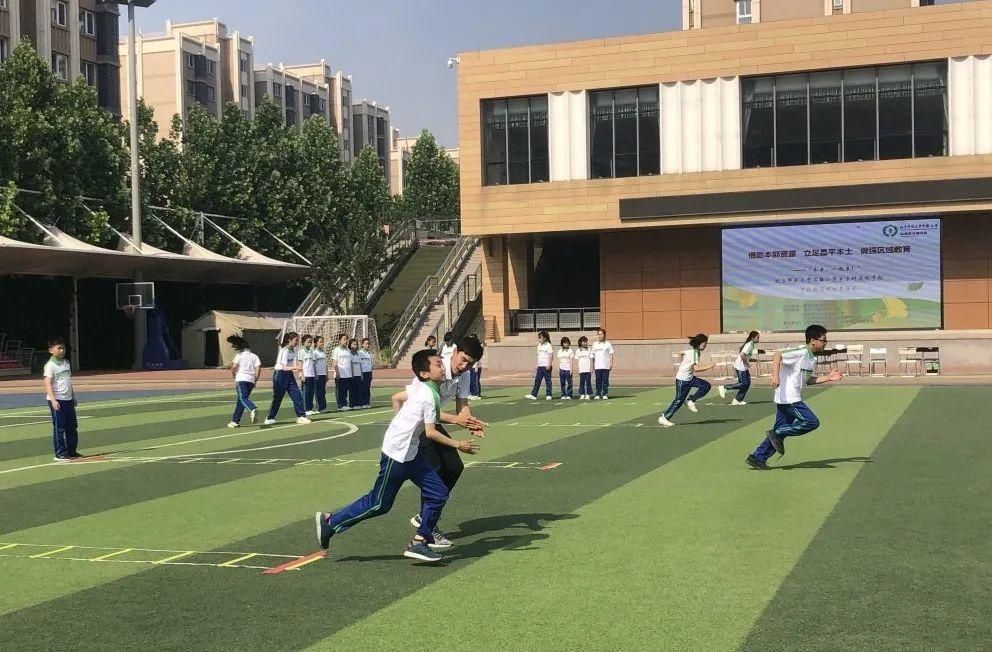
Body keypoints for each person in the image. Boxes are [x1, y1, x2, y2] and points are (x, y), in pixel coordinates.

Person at [315, 350, 480, 562]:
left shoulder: (428, 389)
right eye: (438, 364)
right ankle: (331, 522)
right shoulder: (428, 393)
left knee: (438, 492)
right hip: (397, 453)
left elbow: (424, 410)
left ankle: (420, 541)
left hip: (411, 452)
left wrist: (462, 421)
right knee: (379, 504)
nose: (442, 367)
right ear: (424, 373)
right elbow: (431, 432)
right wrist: (458, 444)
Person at [402, 335, 487, 547]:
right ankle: (427, 529)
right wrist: (459, 421)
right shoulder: (434, 368)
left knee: (455, 466)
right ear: (455, 351)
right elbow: (425, 409)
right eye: (464, 359)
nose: (465, 365)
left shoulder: (464, 375)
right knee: (436, 472)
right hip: (414, 426)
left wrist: (470, 422)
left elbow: (462, 406)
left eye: (471, 363)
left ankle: (425, 516)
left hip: (431, 424)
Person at [746, 325, 844, 470]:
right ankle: (776, 434)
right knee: (811, 422)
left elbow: (807, 380)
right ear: (813, 341)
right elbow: (778, 354)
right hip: (790, 398)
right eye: (824, 340)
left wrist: (828, 378)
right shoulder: (801, 351)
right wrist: (775, 376)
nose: (826, 343)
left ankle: (757, 457)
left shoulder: (812, 359)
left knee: (779, 432)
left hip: (788, 398)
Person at [658, 334, 715, 428]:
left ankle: (690, 400)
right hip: (683, 380)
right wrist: (710, 365)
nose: (705, 345)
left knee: (706, 385)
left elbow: (680, 353)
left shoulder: (693, 351)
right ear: (699, 343)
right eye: (704, 343)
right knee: (678, 400)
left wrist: (683, 364)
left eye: (706, 343)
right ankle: (664, 417)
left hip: (690, 378)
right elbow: (697, 369)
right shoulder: (694, 353)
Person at [43, 337, 80, 461]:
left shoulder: (66, 363)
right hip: (57, 400)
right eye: (58, 348)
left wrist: (73, 396)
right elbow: (47, 383)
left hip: (68, 399)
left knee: (72, 426)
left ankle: (72, 451)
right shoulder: (50, 365)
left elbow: (68, 381)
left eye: (63, 348)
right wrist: (53, 400)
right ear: (51, 350)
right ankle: (60, 453)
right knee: (60, 427)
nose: (62, 350)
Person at [265, 332, 310, 426]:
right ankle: (270, 417)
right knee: (278, 397)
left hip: (289, 375)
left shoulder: (293, 351)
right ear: (289, 340)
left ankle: (301, 416)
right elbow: (284, 367)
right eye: (296, 340)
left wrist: (300, 372)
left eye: (298, 340)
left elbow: (292, 365)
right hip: (280, 374)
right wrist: (297, 368)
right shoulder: (284, 351)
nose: (297, 342)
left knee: (297, 394)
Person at [226, 335, 261, 428]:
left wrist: (233, 374)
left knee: (243, 399)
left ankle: (252, 408)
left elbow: (234, 367)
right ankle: (235, 421)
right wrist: (255, 380)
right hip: (250, 380)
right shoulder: (255, 356)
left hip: (241, 379)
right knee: (240, 401)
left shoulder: (239, 355)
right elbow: (258, 368)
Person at [720, 331, 759, 406]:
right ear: (752, 338)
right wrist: (747, 364)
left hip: (742, 366)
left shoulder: (751, 344)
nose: (758, 339)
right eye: (757, 337)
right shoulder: (749, 344)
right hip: (740, 366)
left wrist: (754, 360)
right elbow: (742, 355)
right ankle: (725, 387)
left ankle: (737, 400)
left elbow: (746, 356)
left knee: (747, 383)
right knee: (743, 384)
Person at [525, 330, 554, 401]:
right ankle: (534, 395)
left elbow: (551, 355)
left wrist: (549, 365)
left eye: (540, 337)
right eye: (539, 337)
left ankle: (549, 394)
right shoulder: (539, 346)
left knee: (548, 381)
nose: (539, 339)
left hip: (546, 366)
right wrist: (538, 364)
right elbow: (539, 356)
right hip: (540, 366)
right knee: (537, 380)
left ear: (545, 338)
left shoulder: (548, 345)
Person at [591, 328, 615, 400]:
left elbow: (611, 354)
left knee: (605, 381)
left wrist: (611, 364)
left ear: (604, 335)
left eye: (601, 334)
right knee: (598, 380)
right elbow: (592, 356)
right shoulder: (595, 344)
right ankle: (598, 394)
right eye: (598, 334)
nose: (599, 336)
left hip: (605, 366)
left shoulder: (608, 344)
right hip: (597, 366)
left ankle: (605, 394)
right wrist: (592, 366)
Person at [332, 334, 353, 412]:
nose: (346, 341)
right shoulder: (336, 350)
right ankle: (341, 405)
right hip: (340, 374)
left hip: (348, 374)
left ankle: (344, 404)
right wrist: (337, 373)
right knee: (340, 390)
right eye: (344, 339)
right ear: (339, 341)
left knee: (345, 390)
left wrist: (351, 374)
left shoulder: (348, 350)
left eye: (347, 339)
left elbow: (350, 363)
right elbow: (334, 363)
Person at [300, 335, 319, 416]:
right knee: (306, 393)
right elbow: (300, 364)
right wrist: (302, 375)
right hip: (306, 375)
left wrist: (316, 374)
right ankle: (305, 409)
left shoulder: (312, 352)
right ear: (303, 342)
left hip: (312, 375)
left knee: (311, 393)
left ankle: (310, 408)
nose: (310, 343)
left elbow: (313, 364)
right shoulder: (301, 352)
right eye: (308, 342)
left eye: (311, 342)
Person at [313, 336, 329, 413]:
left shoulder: (323, 352)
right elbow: (313, 364)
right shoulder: (314, 352)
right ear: (316, 343)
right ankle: (318, 407)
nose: (322, 343)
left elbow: (325, 364)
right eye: (320, 342)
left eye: (323, 341)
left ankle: (323, 407)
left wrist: (326, 374)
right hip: (318, 374)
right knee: (318, 391)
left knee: (323, 391)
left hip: (323, 374)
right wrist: (315, 374)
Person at [358, 338, 374, 409]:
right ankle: (362, 403)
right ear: (362, 344)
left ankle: (367, 402)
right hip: (363, 372)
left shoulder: (369, 353)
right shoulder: (360, 353)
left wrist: (371, 373)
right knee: (363, 388)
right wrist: (361, 374)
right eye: (366, 344)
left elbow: (370, 364)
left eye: (368, 344)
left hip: (369, 372)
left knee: (367, 388)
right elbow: (359, 364)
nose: (367, 345)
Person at [348, 338, 363, 410]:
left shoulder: (358, 353)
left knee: (359, 389)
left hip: (358, 374)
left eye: (356, 344)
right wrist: (352, 374)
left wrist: (361, 375)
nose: (355, 346)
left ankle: (358, 403)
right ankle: (352, 404)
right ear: (350, 345)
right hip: (352, 374)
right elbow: (350, 364)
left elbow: (360, 364)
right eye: (354, 344)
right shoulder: (349, 353)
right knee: (352, 390)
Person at [468, 336, 484, 400]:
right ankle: (474, 393)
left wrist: (476, 368)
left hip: (476, 366)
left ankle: (476, 393)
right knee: (472, 380)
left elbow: (477, 358)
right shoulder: (472, 347)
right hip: (473, 366)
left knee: (475, 380)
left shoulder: (477, 347)